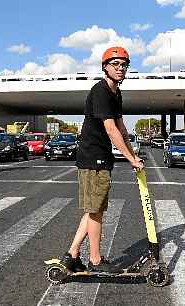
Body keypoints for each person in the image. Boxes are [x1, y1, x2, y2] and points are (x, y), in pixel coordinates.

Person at [60, 46, 144, 273]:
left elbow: (121, 127)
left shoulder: (116, 92)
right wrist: (131, 159)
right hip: (93, 157)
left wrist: (133, 152)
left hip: (102, 157)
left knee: (92, 209)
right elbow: (109, 128)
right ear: (105, 67)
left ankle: (72, 255)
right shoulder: (100, 91)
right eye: (115, 64)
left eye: (124, 65)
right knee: (96, 211)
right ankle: (95, 261)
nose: (120, 68)